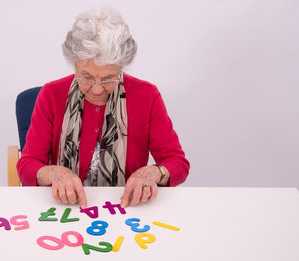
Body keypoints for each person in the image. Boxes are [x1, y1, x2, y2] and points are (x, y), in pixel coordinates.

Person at [17, 7, 189, 209]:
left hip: (127, 208)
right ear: (74, 63)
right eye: (87, 76)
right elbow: (27, 164)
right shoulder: (51, 94)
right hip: (65, 207)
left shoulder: (147, 95)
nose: (97, 89)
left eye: (108, 78)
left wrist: (155, 172)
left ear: (122, 67)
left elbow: (177, 162)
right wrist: (53, 173)